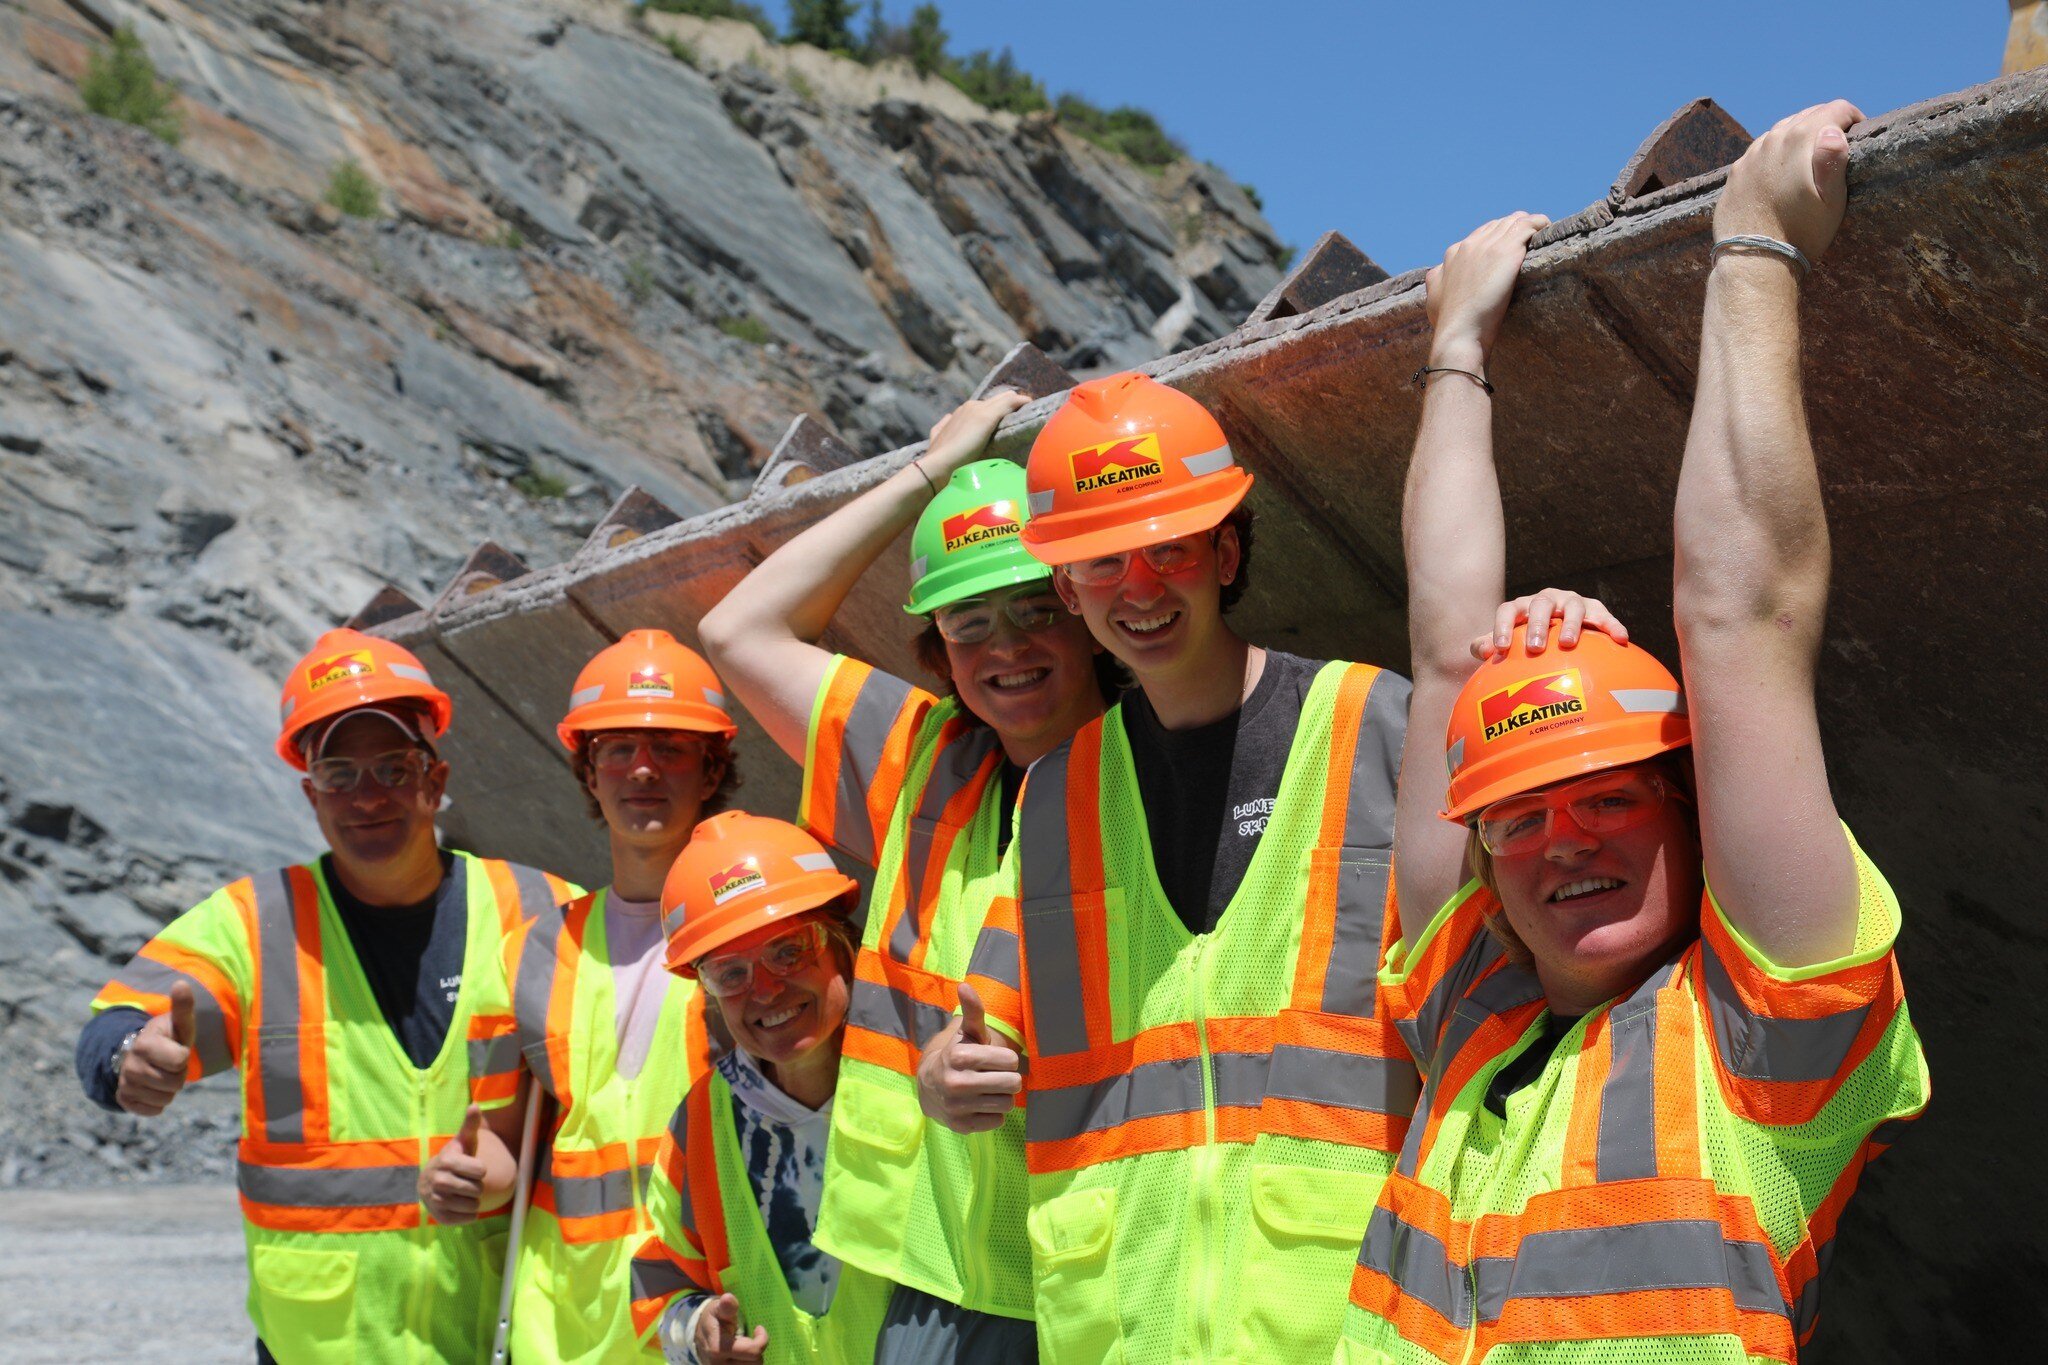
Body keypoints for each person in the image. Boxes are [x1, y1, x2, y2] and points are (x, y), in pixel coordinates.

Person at [1336, 101, 1929, 1362]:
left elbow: (1742, 620)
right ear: (1481, 857)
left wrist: (1753, 247)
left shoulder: (1763, 1039)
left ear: (1684, 804)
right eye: (1519, 814)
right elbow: (1445, 651)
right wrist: (1452, 351)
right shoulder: (1466, 1009)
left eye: (1606, 795)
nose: (1561, 842)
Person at [926, 372, 1425, 1363]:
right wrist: (949, 1075)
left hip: (1344, 1321)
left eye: (1170, 549)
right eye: (1101, 563)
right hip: (1122, 1324)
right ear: (1065, 589)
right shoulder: (1057, 795)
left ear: (1224, 552)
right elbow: (985, 1030)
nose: (1139, 589)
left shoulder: (1376, 726)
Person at [695, 391, 1118, 1362]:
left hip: (1098, 1267)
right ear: (935, 653)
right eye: (968, 624)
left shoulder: (1162, 770)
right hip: (938, 1278)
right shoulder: (923, 759)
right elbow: (738, 631)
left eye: (1032, 609)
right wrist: (928, 473)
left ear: (1090, 614)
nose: (1004, 647)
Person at [75, 627, 576, 1364]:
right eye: (339, 773)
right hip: (316, 1345)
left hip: (491, 1338)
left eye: (392, 767)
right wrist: (128, 1058)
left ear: (434, 781)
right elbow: (114, 1023)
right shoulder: (256, 922)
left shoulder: (538, 909)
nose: (365, 795)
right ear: (312, 794)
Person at [424, 630, 741, 1361]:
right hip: (560, 1327)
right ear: (587, 770)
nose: (642, 769)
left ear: (712, 766)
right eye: (617, 747)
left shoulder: (754, 925)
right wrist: (468, 1178)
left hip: (708, 1313)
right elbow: (502, 1148)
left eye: (670, 747)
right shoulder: (529, 951)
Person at [628, 811, 896, 1363]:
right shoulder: (701, 1122)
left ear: (843, 943)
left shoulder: (924, 1082)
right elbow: (660, 1289)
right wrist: (697, 1330)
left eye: (788, 950)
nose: (766, 990)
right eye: (730, 973)